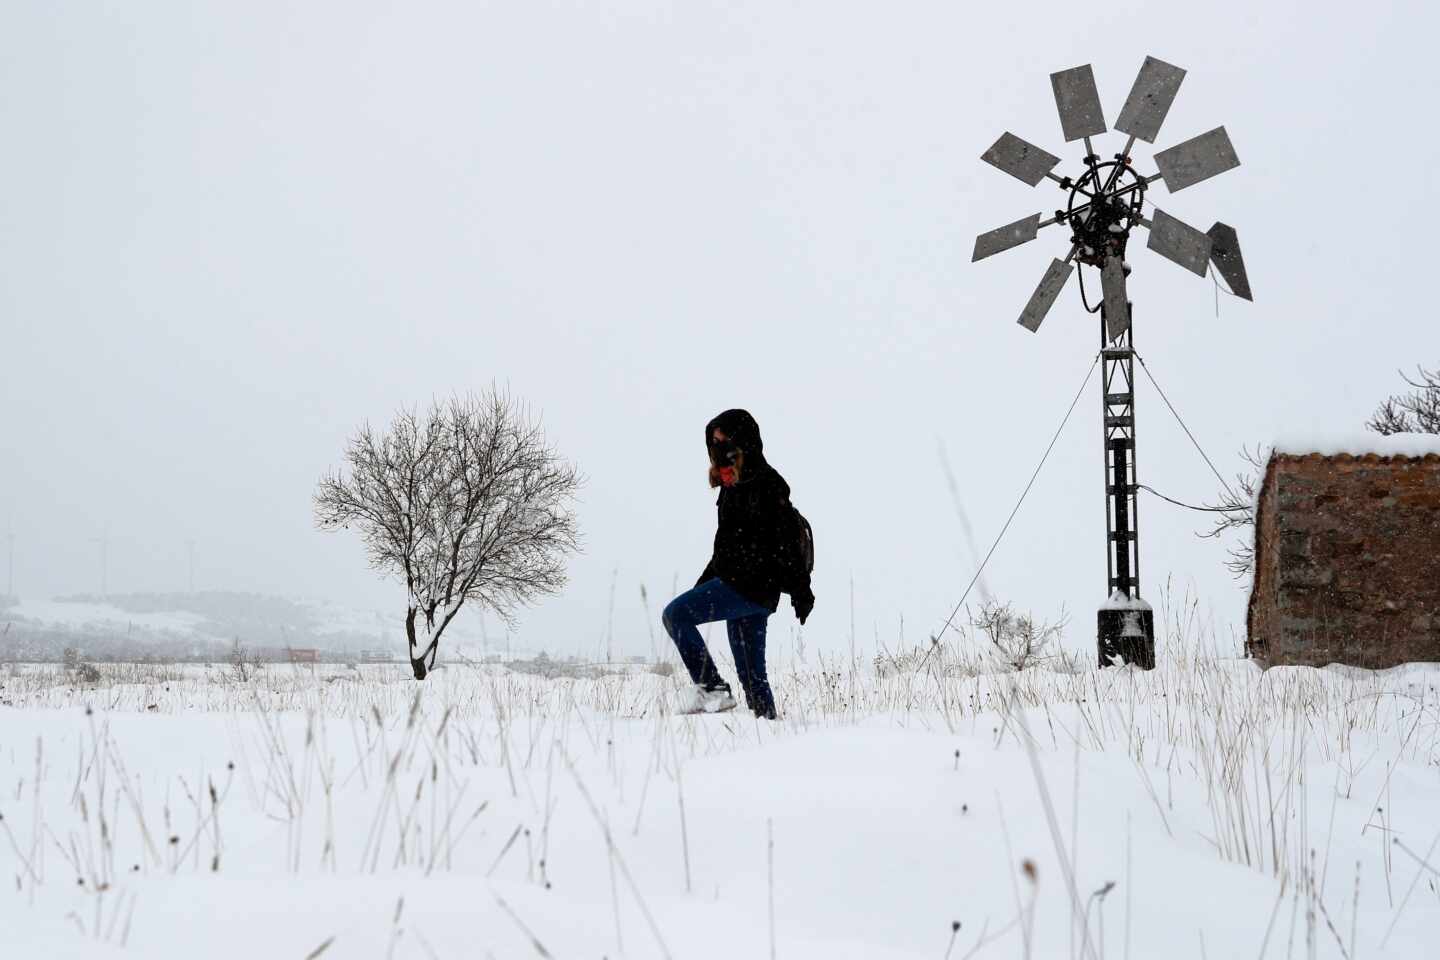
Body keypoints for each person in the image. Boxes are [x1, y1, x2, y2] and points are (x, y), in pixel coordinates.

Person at [662, 409, 814, 719]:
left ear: (742, 440)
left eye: (724, 440)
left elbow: (784, 539)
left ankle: (713, 687)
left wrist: (802, 589)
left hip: (747, 587)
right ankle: (770, 732)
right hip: (748, 593)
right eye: (714, 441)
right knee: (754, 679)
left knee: (675, 615)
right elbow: (724, 550)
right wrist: (703, 587)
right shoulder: (731, 489)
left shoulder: (769, 483)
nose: (718, 447)